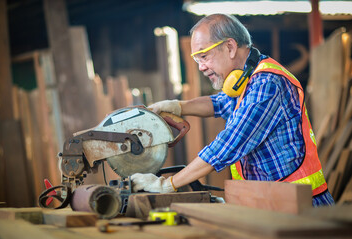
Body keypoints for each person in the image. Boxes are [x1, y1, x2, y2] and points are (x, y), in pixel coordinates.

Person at [131, 13, 334, 206]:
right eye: (197, 60)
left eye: (204, 56)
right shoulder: (245, 78)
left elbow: (229, 144)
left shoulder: (268, 84)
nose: (201, 67)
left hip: (301, 207)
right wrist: (177, 106)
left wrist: (168, 184)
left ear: (230, 47)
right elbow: (219, 103)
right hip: (270, 202)